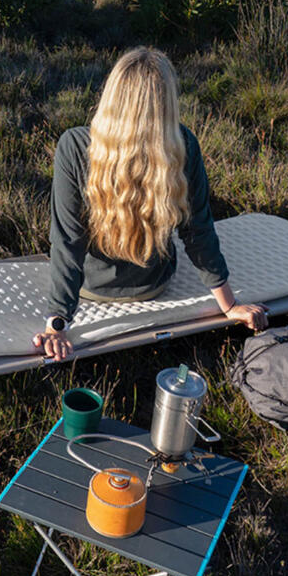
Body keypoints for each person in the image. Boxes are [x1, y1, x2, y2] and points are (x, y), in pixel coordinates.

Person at [33, 46, 269, 361]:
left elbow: (67, 241)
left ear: (111, 95)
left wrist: (58, 321)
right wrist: (230, 305)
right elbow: (198, 230)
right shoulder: (183, 144)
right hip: (154, 284)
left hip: (91, 287)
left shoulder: (74, 145)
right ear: (166, 103)